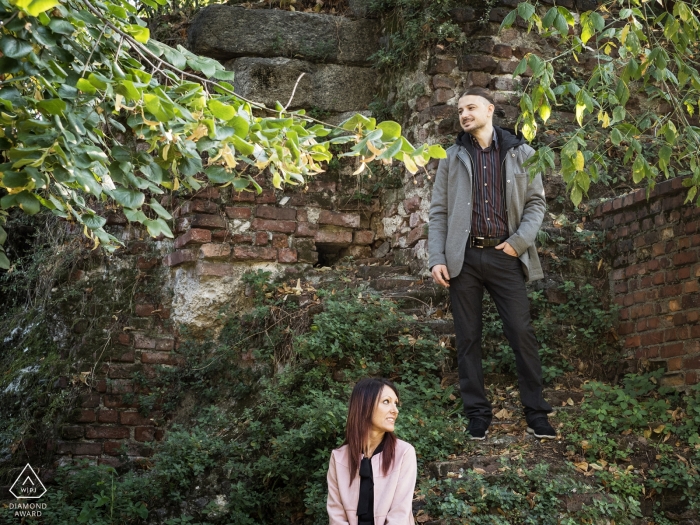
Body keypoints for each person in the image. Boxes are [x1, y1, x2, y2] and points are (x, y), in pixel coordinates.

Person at [428, 87, 555, 441]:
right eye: (459, 111)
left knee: (521, 333)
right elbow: (438, 211)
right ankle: (477, 414)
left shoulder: (522, 153)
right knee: (467, 338)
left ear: (489, 109)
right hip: (463, 259)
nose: (464, 114)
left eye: (470, 108)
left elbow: (536, 205)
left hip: (505, 256)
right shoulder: (450, 157)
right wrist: (437, 257)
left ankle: (536, 413)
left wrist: (517, 245)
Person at [327, 378, 417, 525]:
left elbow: (399, 516)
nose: (395, 410)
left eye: (396, 403)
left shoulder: (404, 453)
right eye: (386, 402)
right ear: (364, 406)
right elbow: (336, 516)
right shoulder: (338, 457)